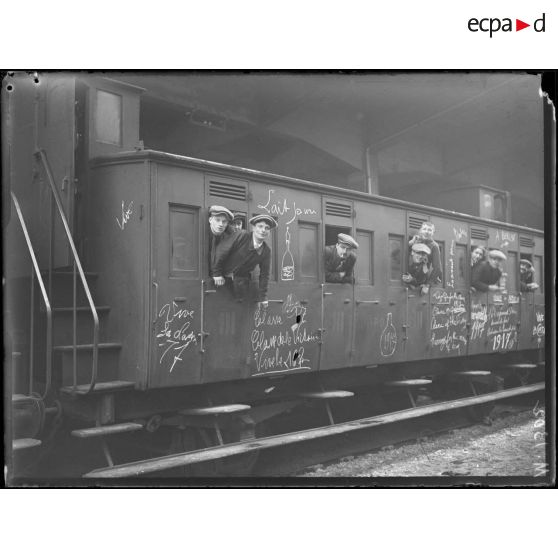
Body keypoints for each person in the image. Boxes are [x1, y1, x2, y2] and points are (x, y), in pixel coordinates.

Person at [217, 214, 278, 307]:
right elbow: (221, 250)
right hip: (221, 282)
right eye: (260, 226)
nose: (263, 230)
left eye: (267, 228)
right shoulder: (242, 235)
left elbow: (264, 275)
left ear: (269, 232)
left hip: (239, 286)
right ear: (253, 228)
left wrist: (263, 297)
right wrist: (216, 273)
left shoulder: (266, 250)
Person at [208, 205, 241, 287]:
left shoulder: (229, 236)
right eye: (217, 220)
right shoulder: (205, 234)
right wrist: (216, 274)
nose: (221, 224)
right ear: (210, 220)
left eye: (224, 221)